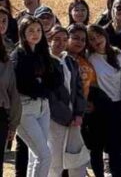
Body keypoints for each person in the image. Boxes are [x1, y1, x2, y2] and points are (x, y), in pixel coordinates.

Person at [14, 16, 61, 177]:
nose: (35, 34)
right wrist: (41, 84)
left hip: (43, 107)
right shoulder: (18, 55)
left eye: (38, 30)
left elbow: (54, 79)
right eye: (31, 30)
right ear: (23, 32)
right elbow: (24, 85)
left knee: (36, 156)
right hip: (25, 109)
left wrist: (41, 83)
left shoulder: (42, 53)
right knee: (44, 155)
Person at [85, 24, 121, 177]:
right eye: (91, 39)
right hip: (97, 108)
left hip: (116, 107)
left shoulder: (117, 54)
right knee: (96, 148)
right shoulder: (89, 57)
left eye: (98, 35)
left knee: (115, 149)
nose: (96, 40)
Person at [45, 25, 87, 177]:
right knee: (55, 163)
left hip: (74, 120)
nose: (60, 43)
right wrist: (66, 117)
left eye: (64, 39)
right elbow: (51, 96)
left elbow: (79, 89)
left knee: (77, 160)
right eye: (56, 39)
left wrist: (78, 114)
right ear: (49, 40)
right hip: (54, 119)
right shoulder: (46, 62)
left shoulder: (70, 61)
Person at [0, 13, 20, 177]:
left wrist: (13, 123)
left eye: (4, 21)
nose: (1, 24)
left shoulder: (9, 48)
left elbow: (12, 89)